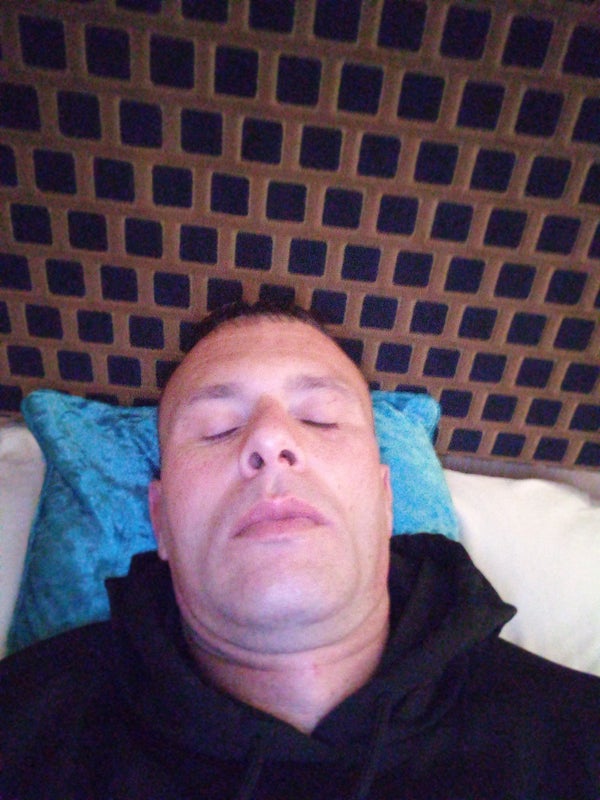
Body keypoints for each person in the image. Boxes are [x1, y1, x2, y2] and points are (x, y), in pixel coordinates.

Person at [1, 299, 599, 800]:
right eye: (216, 428)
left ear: (386, 500)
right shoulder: (23, 732)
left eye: (321, 418)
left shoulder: (574, 739)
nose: (270, 438)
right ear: (160, 519)